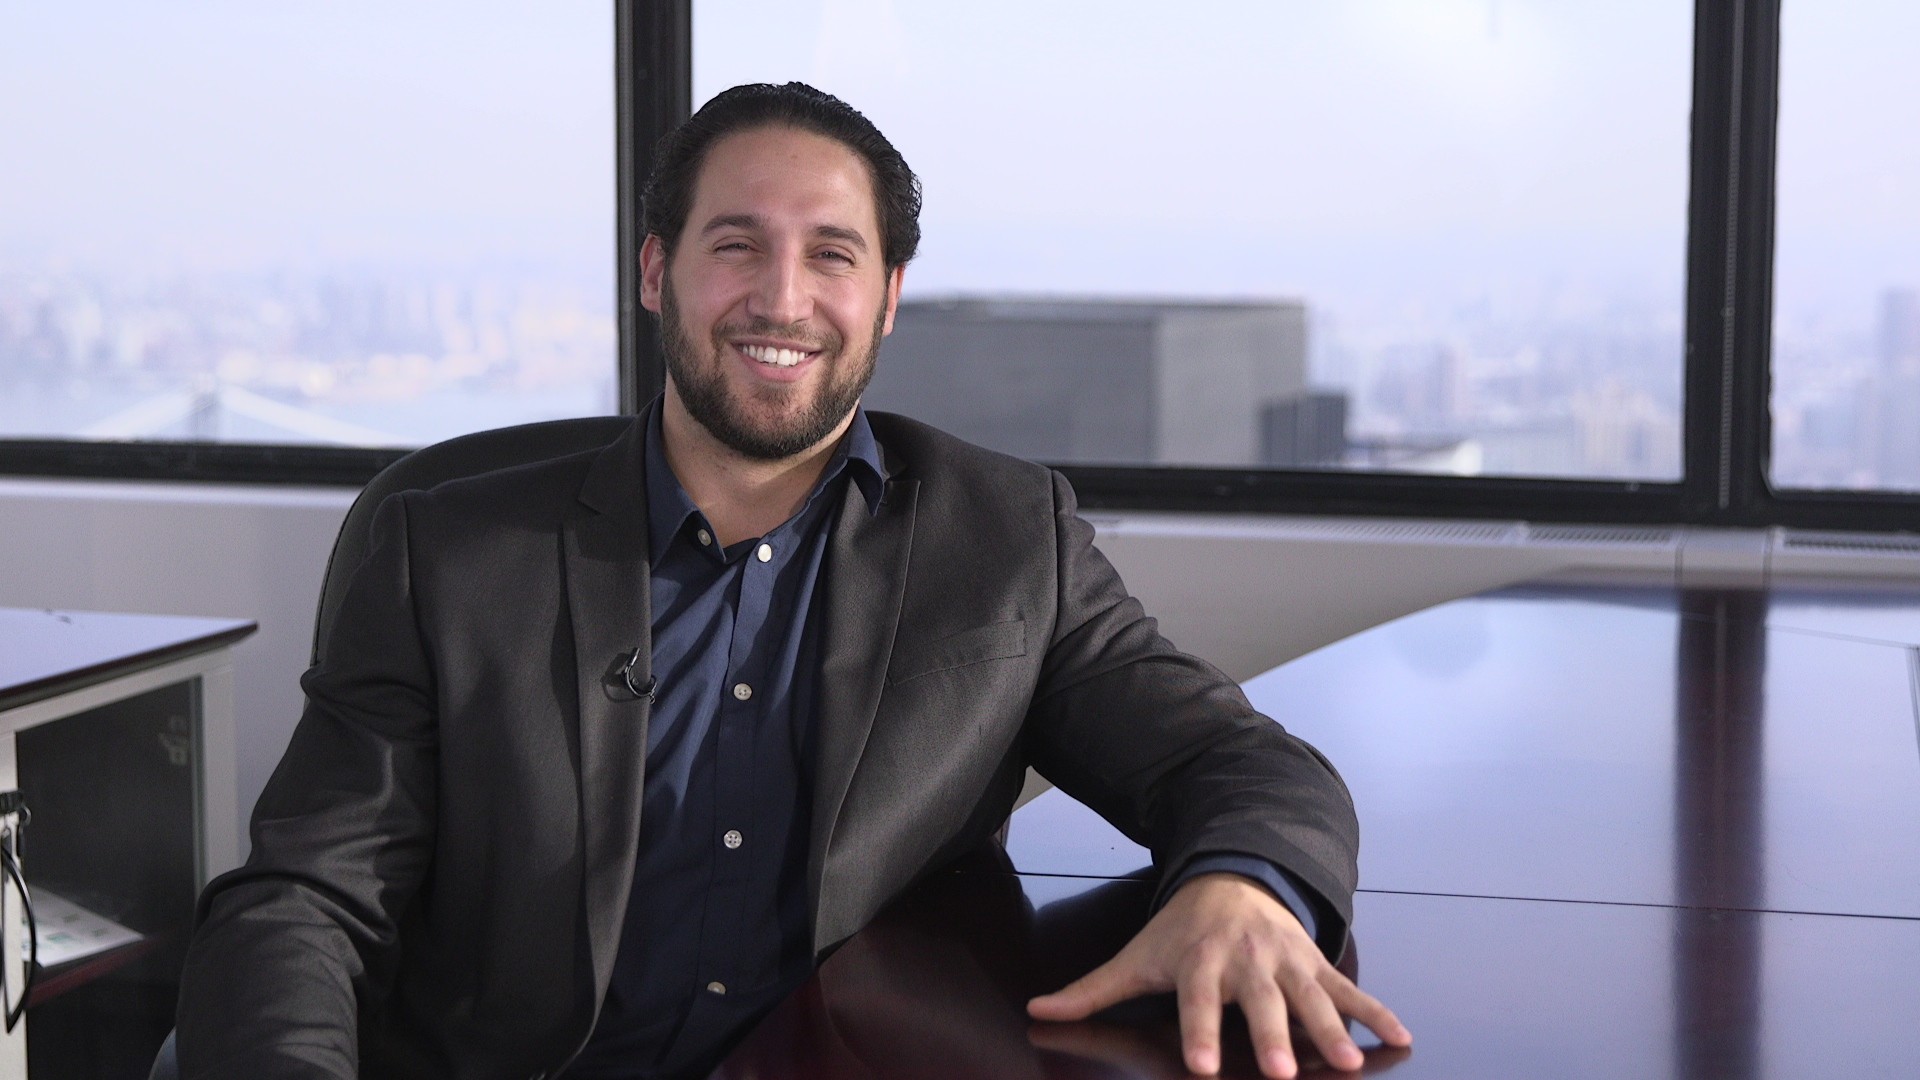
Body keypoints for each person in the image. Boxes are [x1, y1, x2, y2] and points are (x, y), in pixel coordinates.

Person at [177, 82, 1409, 1080]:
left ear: (888, 299)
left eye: (832, 255)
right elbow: (304, 901)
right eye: (736, 246)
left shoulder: (1003, 538)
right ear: (656, 272)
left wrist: (1246, 888)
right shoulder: (448, 553)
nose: (782, 298)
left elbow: (1237, 762)